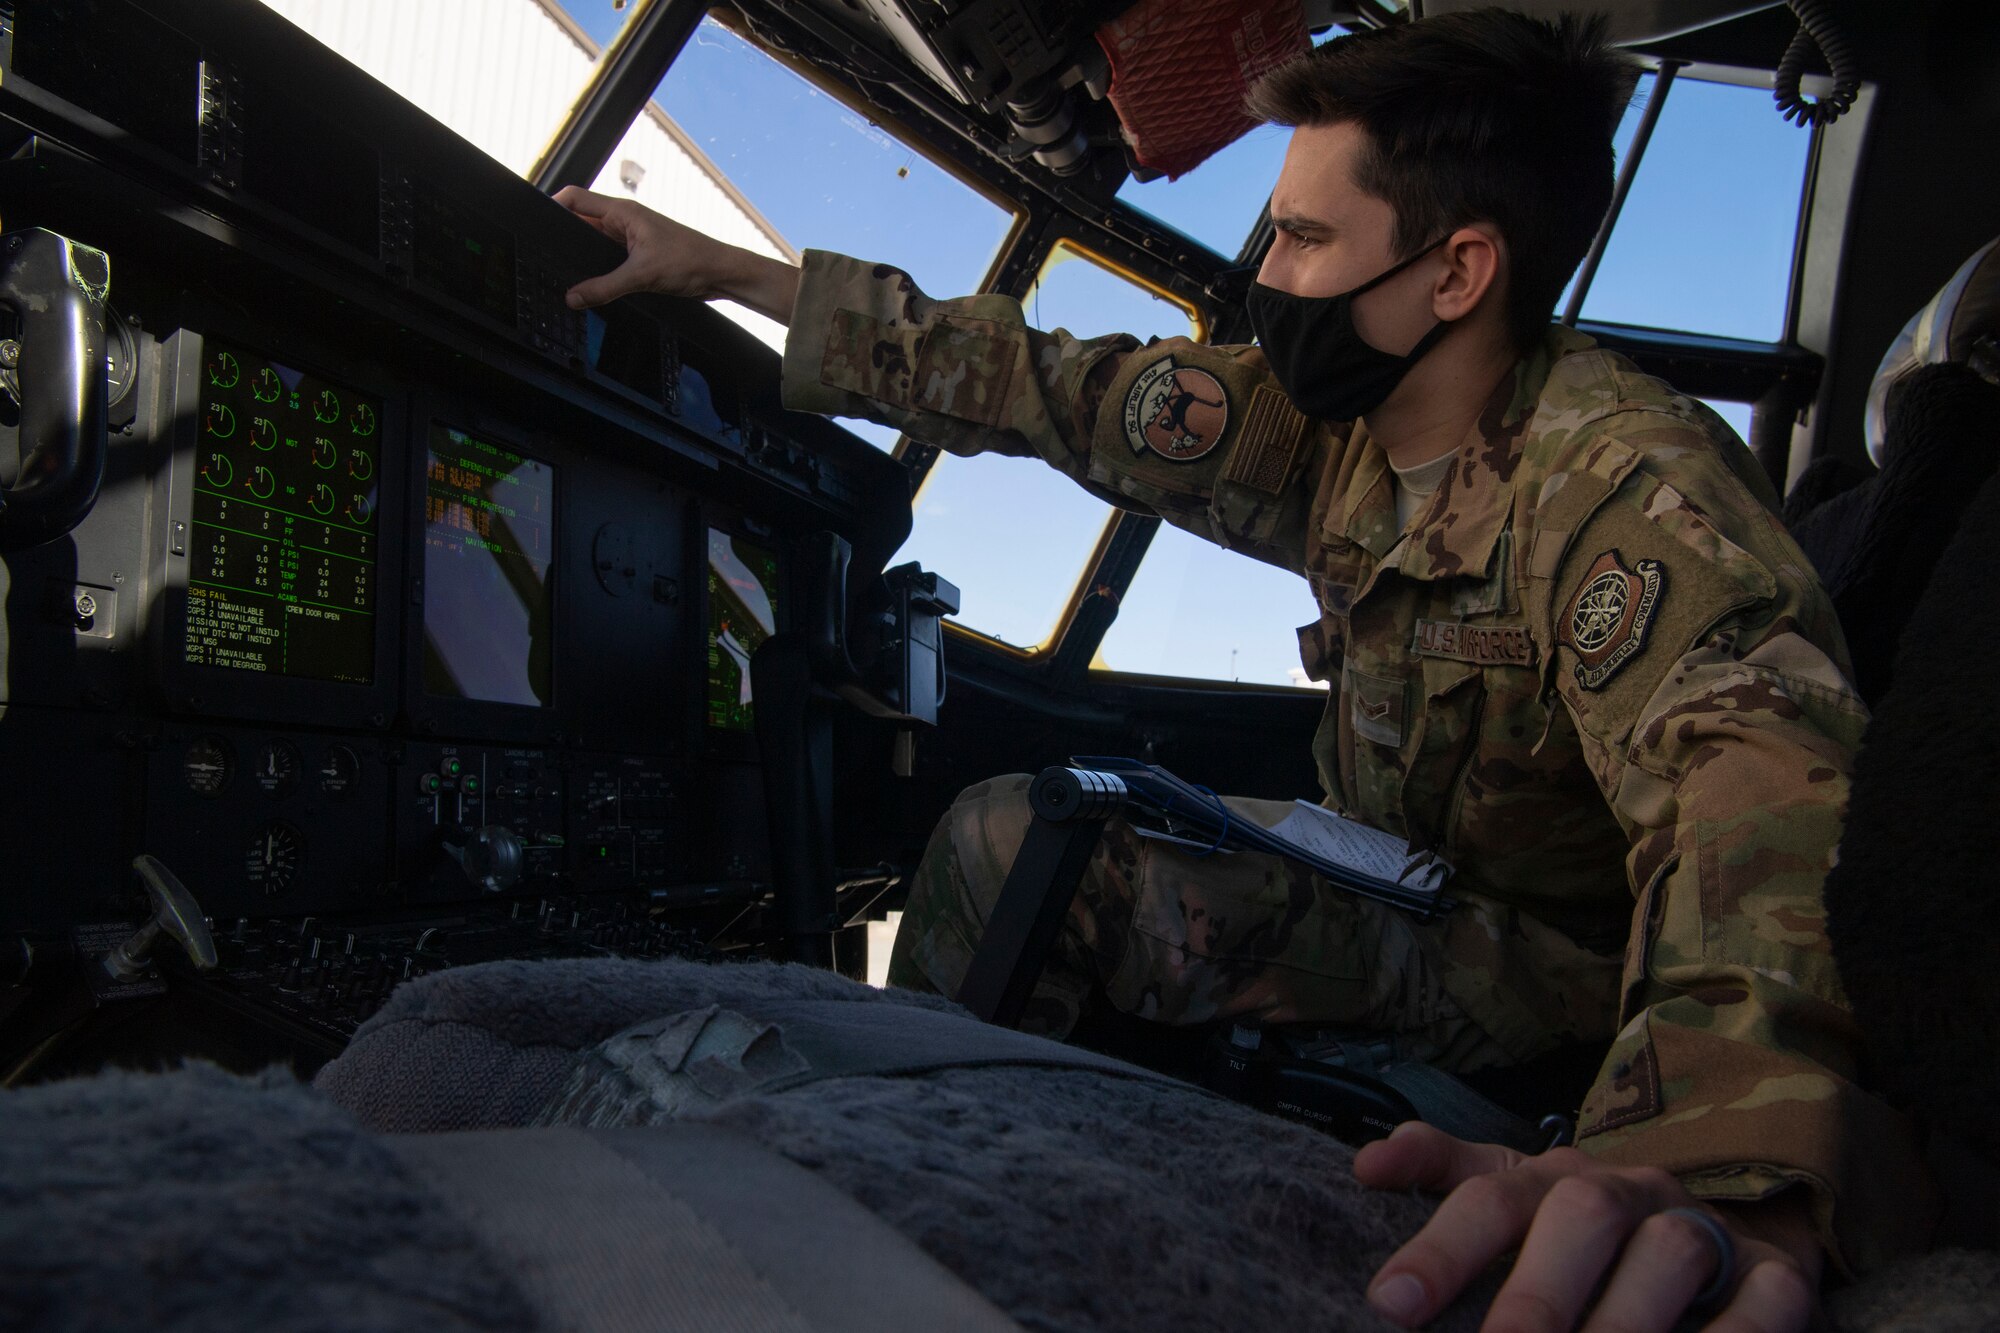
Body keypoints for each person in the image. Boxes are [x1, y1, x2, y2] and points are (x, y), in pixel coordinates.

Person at [557, 10, 1935, 1329]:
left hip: (1552, 965)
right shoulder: (1323, 429)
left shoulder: (1624, 481)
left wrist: (1720, 1155)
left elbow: (1756, 780)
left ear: (1456, 275)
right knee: (1067, 813)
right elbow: (1048, 383)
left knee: (1010, 841)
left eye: (1304, 237)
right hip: (1395, 876)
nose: (1264, 274)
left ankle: (894, 1210)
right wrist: (730, 274)